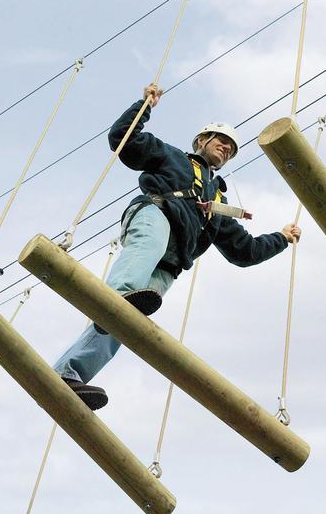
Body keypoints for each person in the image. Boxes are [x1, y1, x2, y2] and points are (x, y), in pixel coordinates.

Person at [54, 83, 301, 410]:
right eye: (221, 141)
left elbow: (245, 251)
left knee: (129, 322)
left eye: (231, 148)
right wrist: (144, 105)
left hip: (171, 263)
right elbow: (123, 138)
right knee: (128, 289)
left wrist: (281, 238)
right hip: (155, 215)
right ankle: (110, 303)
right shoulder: (171, 157)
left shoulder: (217, 203)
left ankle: (70, 373)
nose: (226, 148)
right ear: (202, 141)